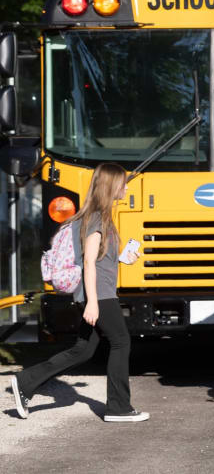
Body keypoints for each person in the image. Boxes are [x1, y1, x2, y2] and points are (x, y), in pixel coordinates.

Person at [10, 162, 148, 422]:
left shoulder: (96, 216)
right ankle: (119, 408)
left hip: (93, 292)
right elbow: (87, 264)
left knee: (82, 350)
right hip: (99, 294)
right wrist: (93, 303)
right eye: (123, 183)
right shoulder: (97, 217)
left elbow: (95, 258)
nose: (127, 187)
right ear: (111, 186)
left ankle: (25, 381)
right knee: (121, 342)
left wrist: (121, 257)